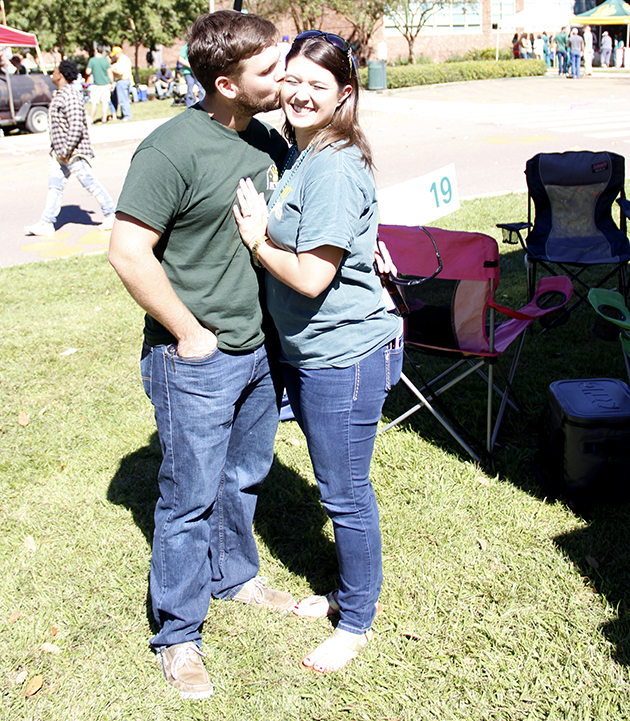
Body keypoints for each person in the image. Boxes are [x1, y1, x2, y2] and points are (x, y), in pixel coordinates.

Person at [108, 11, 292, 700]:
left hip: (257, 350)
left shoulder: (265, 139)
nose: (285, 77)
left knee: (243, 476)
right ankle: (179, 633)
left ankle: (235, 576)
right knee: (188, 496)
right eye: (270, 71)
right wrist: (188, 332)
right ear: (225, 82)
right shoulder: (170, 150)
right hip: (197, 358)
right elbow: (127, 252)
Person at [233, 30, 403, 674]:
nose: (301, 94)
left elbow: (310, 276)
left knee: (344, 493)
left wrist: (256, 240)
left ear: (345, 95)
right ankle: (344, 593)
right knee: (341, 486)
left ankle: (356, 622)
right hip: (315, 353)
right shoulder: (306, 151)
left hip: (346, 359)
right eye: (293, 80)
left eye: (319, 85)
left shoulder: (332, 167)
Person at [24, 61, 116, 237]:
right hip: (60, 155)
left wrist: (66, 151)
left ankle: (111, 214)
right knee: (54, 188)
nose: (52, 73)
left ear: (61, 75)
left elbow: (75, 126)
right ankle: (47, 222)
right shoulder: (61, 94)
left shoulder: (70, 96)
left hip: (73, 154)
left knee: (91, 185)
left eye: (55, 71)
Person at [86, 45, 113, 123]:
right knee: (105, 102)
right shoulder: (105, 61)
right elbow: (109, 72)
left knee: (94, 102)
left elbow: (88, 71)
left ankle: (91, 119)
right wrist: (111, 83)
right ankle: (104, 119)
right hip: (106, 84)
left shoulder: (92, 60)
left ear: (96, 50)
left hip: (96, 84)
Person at [178, 42, 205, 107]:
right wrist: (190, 66)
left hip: (198, 71)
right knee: (190, 89)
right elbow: (180, 59)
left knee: (201, 88)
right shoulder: (185, 47)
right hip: (188, 72)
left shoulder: (199, 45)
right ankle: (189, 105)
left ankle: (203, 106)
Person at [109, 46, 133, 121]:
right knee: (123, 98)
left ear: (117, 54)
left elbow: (120, 72)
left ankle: (127, 115)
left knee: (123, 99)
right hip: (123, 81)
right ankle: (124, 114)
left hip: (122, 81)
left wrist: (111, 69)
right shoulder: (122, 59)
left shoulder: (122, 59)